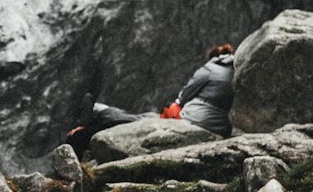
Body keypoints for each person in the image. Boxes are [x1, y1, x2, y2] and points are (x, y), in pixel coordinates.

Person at [66, 44, 236, 155]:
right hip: (220, 125)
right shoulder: (234, 70)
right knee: (146, 117)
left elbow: (185, 94)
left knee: (143, 119)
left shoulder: (210, 68)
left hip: (194, 118)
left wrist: (82, 124)